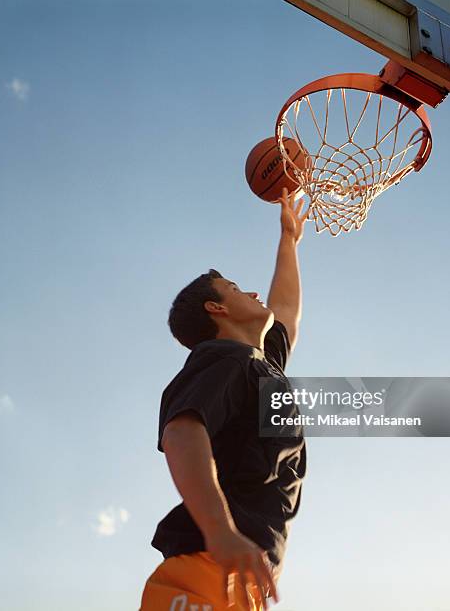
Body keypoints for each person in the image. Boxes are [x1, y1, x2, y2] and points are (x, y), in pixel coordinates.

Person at [140, 189, 309, 610]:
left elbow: (285, 308)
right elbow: (181, 431)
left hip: (238, 578)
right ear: (217, 308)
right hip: (207, 566)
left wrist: (288, 240)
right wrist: (220, 532)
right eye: (236, 289)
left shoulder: (262, 366)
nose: (254, 294)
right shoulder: (226, 358)